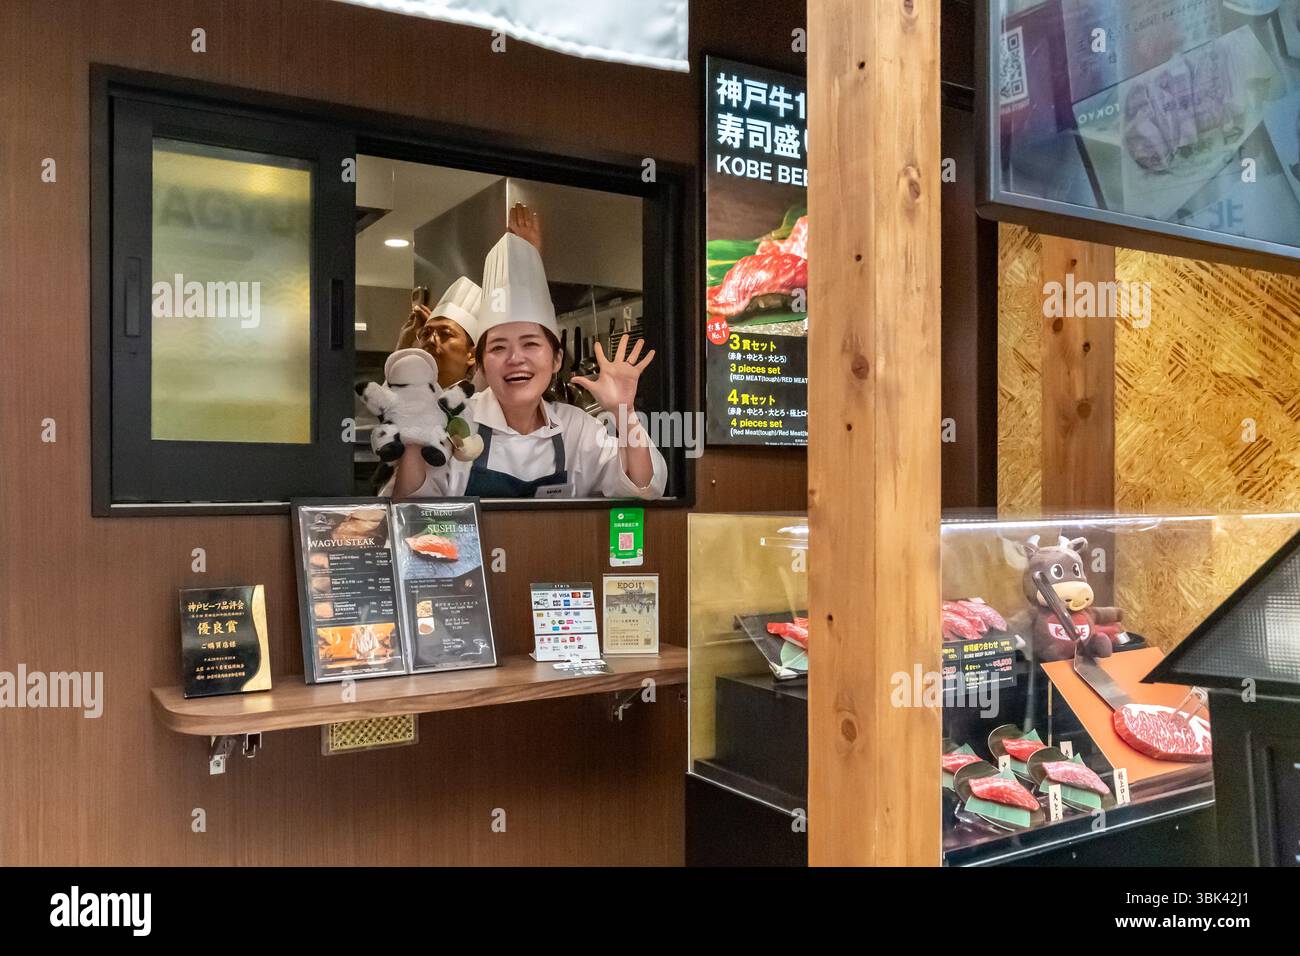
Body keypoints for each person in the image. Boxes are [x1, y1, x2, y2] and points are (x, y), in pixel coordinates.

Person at [391, 231, 666, 500]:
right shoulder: (454, 424)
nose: (515, 358)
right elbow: (411, 507)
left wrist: (624, 412)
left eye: (530, 344)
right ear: (482, 364)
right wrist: (414, 439)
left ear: (556, 359)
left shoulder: (577, 429)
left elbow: (643, 488)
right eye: (498, 347)